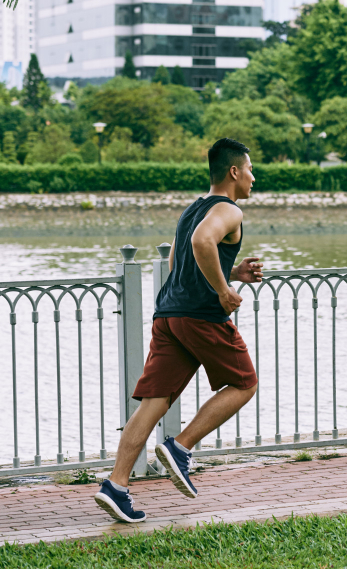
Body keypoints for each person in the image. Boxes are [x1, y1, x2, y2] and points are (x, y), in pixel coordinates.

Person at [94, 138, 264, 523]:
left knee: (154, 402)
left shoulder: (192, 209)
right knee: (245, 384)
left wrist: (233, 271)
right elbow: (202, 241)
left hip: (168, 314)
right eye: (251, 170)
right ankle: (181, 447)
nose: (254, 178)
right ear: (234, 172)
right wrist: (224, 291)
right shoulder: (229, 210)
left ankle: (116, 486)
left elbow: (178, 260)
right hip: (201, 316)